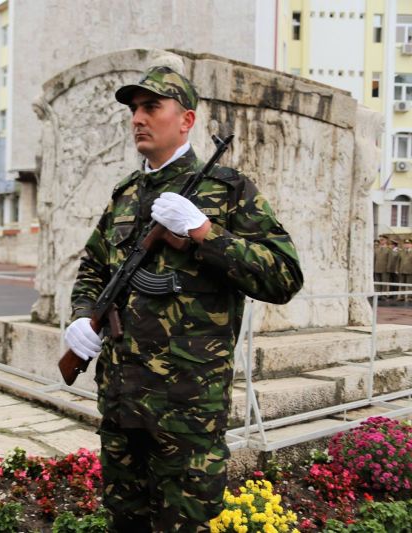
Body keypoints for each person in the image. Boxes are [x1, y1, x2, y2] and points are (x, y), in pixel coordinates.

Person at [64, 65, 304, 532]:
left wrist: (204, 231)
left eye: (151, 107)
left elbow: (284, 277)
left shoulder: (228, 190)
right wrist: (81, 317)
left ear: (186, 120)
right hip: (121, 403)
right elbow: (93, 268)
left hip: (188, 410)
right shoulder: (125, 195)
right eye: (134, 109)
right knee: (125, 522)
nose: (138, 118)